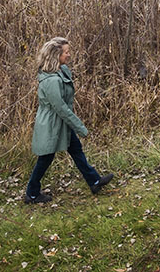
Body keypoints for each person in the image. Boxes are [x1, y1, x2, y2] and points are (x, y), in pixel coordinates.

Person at [24, 37, 113, 203]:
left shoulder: (59, 72)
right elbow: (61, 108)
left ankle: (94, 181)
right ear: (56, 55)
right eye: (66, 52)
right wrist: (80, 127)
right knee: (45, 159)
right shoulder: (51, 81)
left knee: (76, 150)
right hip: (51, 125)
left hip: (60, 122)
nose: (69, 55)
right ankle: (32, 193)